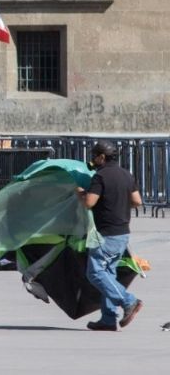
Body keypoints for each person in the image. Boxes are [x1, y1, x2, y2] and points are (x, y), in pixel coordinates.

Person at [75, 141, 144, 331]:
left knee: (95, 272)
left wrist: (80, 192)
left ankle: (128, 301)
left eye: (95, 155)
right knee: (109, 274)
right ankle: (108, 319)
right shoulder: (126, 174)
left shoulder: (101, 176)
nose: (93, 160)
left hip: (107, 234)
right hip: (122, 233)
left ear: (102, 157)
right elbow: (137, 201)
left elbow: (89, 202)